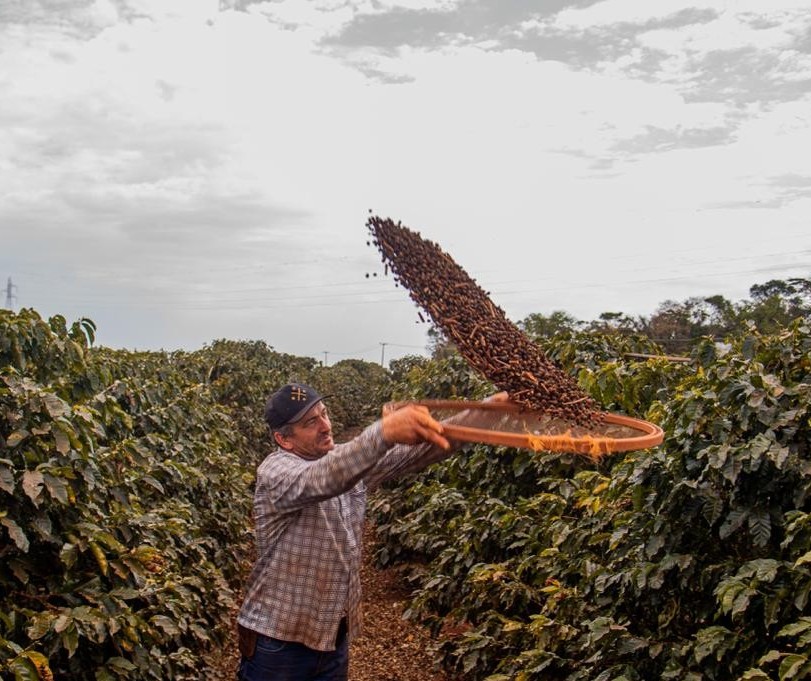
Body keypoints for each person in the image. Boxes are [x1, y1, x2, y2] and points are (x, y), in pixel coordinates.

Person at [236, 382, 505, 681]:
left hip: (331, 638)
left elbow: (424, 448)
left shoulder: (344, 460)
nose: (325, 426)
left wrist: (490, 409)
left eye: (324, 415)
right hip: (278, 646)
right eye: (310, 423)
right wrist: (383, 432)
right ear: (283, 439)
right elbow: (322, 478)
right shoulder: (275, 472)